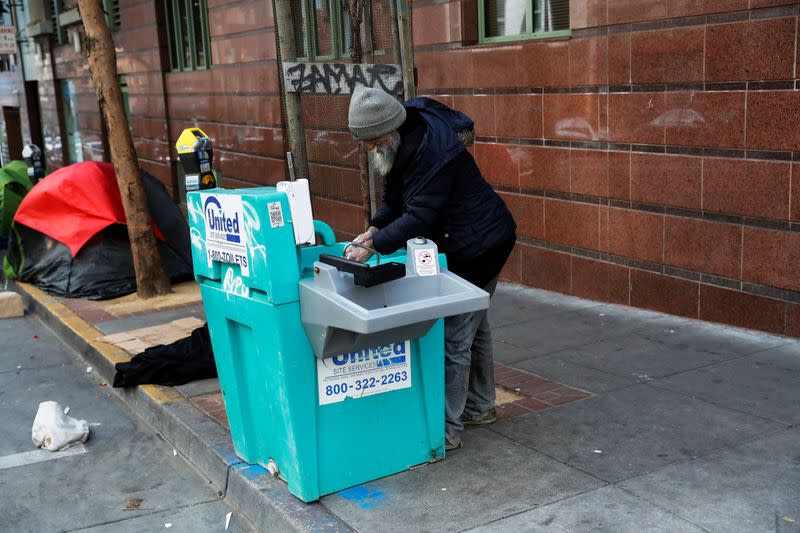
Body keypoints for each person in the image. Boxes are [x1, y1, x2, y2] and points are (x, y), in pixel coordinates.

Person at [346, 86, 517, 450]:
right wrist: (374, 229)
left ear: (388, 131)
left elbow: (421, 215)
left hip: (481, 244)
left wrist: (373, 246)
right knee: (476, 323)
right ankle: (481, 406)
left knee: (456, 334)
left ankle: (448, 430)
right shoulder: (403, 137)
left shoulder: (435, 153)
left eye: (372, 143)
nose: (370, 149)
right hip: (468, 237)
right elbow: (396, 196)